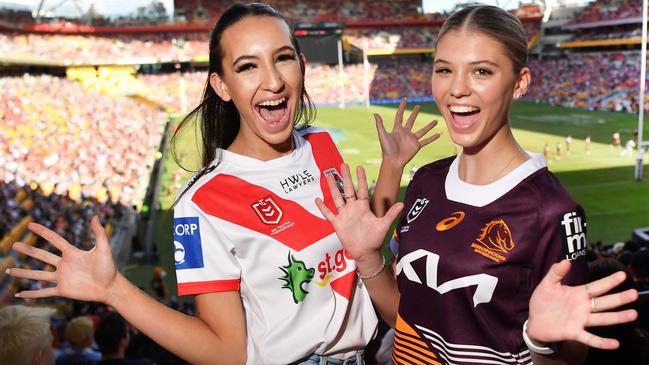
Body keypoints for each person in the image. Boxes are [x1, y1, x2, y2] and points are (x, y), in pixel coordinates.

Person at [6, 3, 438, 365]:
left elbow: (363, 239)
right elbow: (227, 351)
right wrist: (113, 290)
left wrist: (392, 166)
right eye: (247, 66)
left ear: (301, 66)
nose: (272, 80)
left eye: (283, 57)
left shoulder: (322, 145)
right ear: (222, 85)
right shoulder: (201, 204)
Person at [314, 5, 638, 365]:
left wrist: (541, 342)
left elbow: (571, 358)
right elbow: (404, 319)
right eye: (444, 70)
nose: (457, 89)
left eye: (481, 71)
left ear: (520, 83)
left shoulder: (553, 212)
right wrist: (368, 257)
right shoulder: (426, 181)